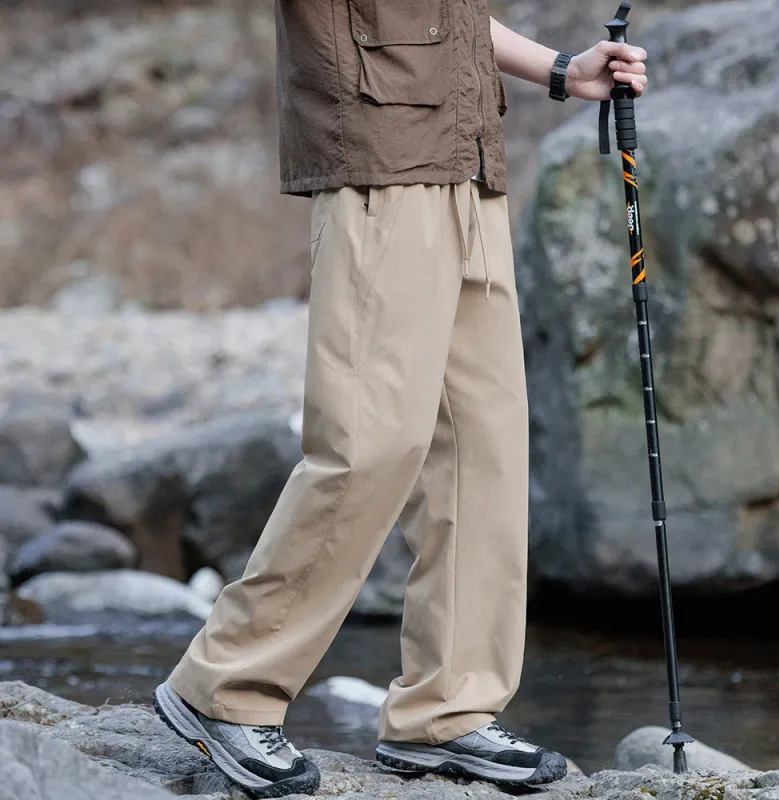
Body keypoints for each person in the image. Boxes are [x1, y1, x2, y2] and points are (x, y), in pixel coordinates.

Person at [154, 2, 648, 797]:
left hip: (470, 170)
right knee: (370, 443)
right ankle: (226, 686)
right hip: (381, 170)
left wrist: (560, 70)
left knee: (483, 452)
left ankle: (446, 713)